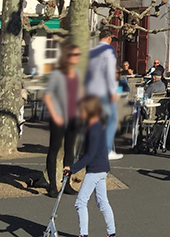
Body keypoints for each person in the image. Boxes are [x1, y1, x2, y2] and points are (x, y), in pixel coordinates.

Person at [64, 96, 116, 237]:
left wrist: (72, 168)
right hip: (102, 168)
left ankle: (83, 234)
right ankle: (111, 232)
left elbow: (89, 155)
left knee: (80, 202)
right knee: (102, 202)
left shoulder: (93, 129)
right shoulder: (99, 125)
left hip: (95, 170)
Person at [43, 42, 82, 198]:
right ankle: (52, 185)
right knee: (54, 149)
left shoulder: (76, 74)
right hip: (58, 117)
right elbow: (48, 96)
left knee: (69, 151)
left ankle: (66, 182)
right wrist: (55, 115)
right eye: (75, 55)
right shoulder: (57, 74)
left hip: (73, 117)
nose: (77, 58)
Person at [86, 27, 121, 160]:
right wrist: (113, 91)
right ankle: (106, 149)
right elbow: (110, 72)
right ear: (109, 38)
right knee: (111, 120)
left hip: (91, 91)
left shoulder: (92, 51)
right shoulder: (109, 50)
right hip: (104, 90)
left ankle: (91, 148)